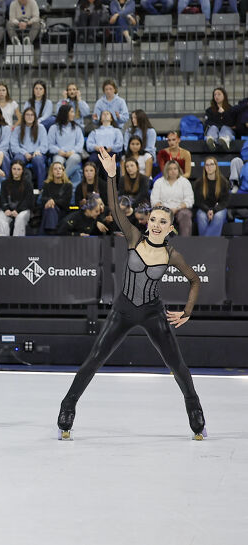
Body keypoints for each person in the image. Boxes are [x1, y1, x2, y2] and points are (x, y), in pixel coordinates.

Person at [57, 147, 205, 441]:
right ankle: (67, 407)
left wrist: (187, 312)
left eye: (163, 221)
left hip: (153, 313)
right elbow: (113, 208)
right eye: (154, 219)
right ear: (148, 222)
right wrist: (111, 177)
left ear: (170, 227)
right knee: (93, 360)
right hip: (122, 310)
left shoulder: (172, 254)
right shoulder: (135, 238)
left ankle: (195, 410)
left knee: (178, 366)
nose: (157, 224)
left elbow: (195, 281)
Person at [151, 159, 194, 236]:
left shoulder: (185, 182)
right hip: (162, 210)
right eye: (170, 169)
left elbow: (189, 200)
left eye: (175, 168)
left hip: (180, 210)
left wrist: (177, 208)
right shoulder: (159, 182)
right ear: (166, 171)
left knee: (185, 215)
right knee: (158, 216)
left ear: (178, 170)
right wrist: (165, 210)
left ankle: (185, 243)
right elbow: (154, 200)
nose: (173, 171)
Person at [48, 105, 86, 186]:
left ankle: (62, 180)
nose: (73, 114)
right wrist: (58, 151)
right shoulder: (54, 128)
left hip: (73, 153)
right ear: (65, 113)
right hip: (59, 153)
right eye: (71, 112)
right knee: (57, 162)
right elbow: (50, 144)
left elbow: (80, 143)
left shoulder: (76, 128)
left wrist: (73, 151)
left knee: (74, 158)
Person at [193, 156, 229, 236]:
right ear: (204, 167)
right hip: (204, 209)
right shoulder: (199, 182)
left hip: (219, 209)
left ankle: (205, 244)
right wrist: (207, 210)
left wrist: (214, 210)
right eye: (207, 165)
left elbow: (224, 202)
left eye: (212, 164)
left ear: (216, 166)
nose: (209, 167)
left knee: (218, 216)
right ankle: (209, 245)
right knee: (201, 216)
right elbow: (198, 201)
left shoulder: (223, 182)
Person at [39, 161, 74, 234]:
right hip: (49, 210)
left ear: (63, 171)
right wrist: (50, 200)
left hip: (62, 212)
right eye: (55, 169)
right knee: (50, 209)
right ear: (52, 172)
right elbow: (42, 199)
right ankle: (53, 233)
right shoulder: (47, 185)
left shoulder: (68, 185)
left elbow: (65, 202)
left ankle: (48, 233)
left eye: (60, 168)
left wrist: (53, 201)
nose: (58, 170)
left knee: (50, 209)